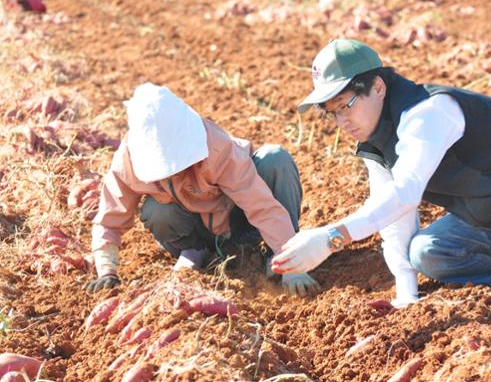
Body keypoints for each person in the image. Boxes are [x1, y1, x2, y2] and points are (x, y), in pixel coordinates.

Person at [271, 39, 491, 336]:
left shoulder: (428, 111)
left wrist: (333, 237)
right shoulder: (375, 142)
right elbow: (394, 214)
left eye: (346, 105)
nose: (342, 121)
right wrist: (406, 295)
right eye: (331, 113)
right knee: (427, 252)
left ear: (377, 87)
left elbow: (407, 190)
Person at [85, 83, 319, 297]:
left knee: (274, 159)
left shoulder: (215, 146)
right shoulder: (128, 160)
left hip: (240, 219)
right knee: (156, 210)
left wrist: (292, 264)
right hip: (195, 228)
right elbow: (109, 218)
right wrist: (106, 270)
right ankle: (197, 253)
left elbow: (261, 205)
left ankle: (278, 253)